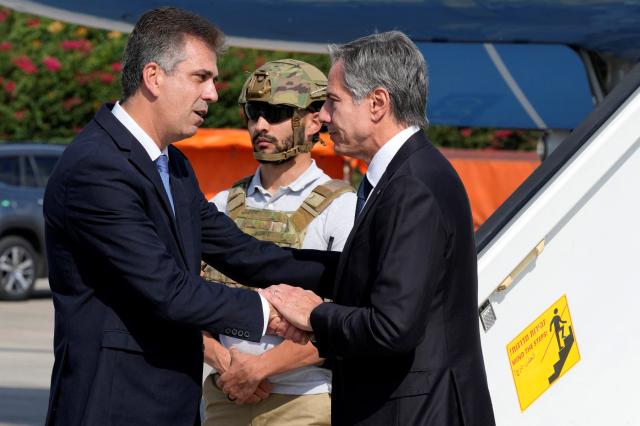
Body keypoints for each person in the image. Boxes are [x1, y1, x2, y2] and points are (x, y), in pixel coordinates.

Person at [43, 8, 335, 426]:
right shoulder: (97, 168)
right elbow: (169, 290)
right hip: (113, 404)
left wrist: (354, 268)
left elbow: (241, 252)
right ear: (154, 77)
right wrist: (270, 313)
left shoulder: (173, 165)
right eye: (201, 77)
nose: (214, 94)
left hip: (169, 403)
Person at [265, 31, 496, 425]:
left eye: (333, 102)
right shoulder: (401, 176)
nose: (322, 116)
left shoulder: (412, 186)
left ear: (377, 103)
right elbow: (367, 282)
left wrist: (316, 315)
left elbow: (392, 327)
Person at [200, 59, 356, 426]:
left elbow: (346, 318)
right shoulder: (219, 205)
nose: (260, 125)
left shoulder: (343, 208)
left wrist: (258, 370)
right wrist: (227, 364)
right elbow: (181, 298)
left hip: (303, 398)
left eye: (276, 113)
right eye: (254, 112)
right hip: (225, 393)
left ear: (316, 119)